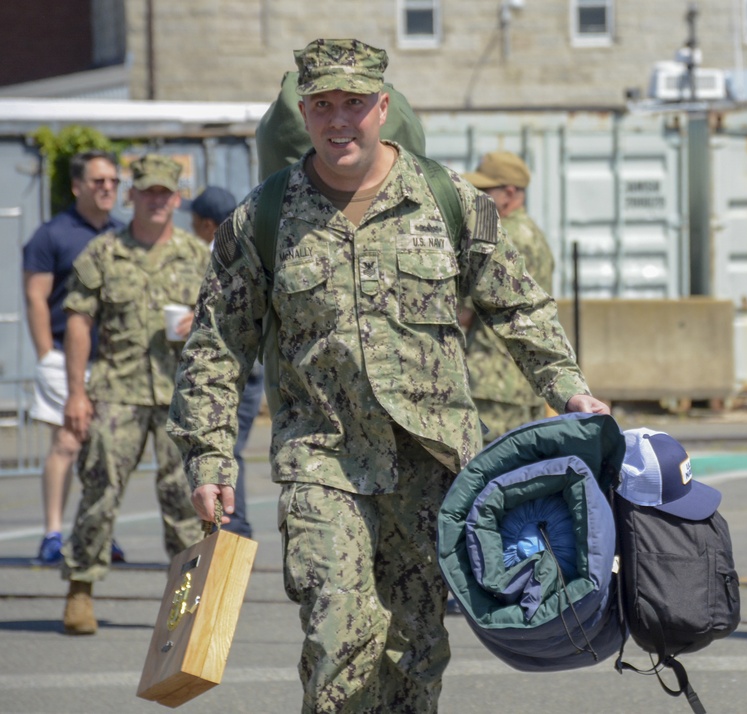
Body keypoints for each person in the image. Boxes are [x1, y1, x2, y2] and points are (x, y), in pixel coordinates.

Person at [167, 38, 609, 713]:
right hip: (322, 463)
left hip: (432, 467)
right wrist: (207, 458)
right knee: (337, 638)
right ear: (305, 114)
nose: (339, 121)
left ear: (382, 106)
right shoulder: (261, 219)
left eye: (353, 104)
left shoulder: (447, 199)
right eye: (322, 106)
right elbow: (216, 346)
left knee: (416, 650)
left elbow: (517, 303)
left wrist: (568, 387)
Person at [60, 154, 209, 635]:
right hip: (116, 391)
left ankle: (186, 605)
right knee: (100, 490)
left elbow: (226, 321)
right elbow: (79, 322)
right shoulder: (103, 253)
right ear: (132, 195)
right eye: (148, 192)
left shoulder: (197, 255)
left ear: (178, 198)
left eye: (165, 193)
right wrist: (76, 394)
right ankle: (80, 589)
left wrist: (198, 325)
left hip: (178, 396)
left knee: (185, 501)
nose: (157, 200)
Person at [21, 149, 127, 565]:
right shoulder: (52, 235)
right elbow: (35, 296)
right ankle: (52, 533)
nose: (107, 188)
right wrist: (47, 353)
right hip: (66, 357)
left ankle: (100, 532)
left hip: (114, 363)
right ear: (77, 186)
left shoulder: (121, 234)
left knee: (108, 450)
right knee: (67, 441)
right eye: (98, 181)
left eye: (113, 182)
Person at [460, 151, 555, 442]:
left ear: (509, 193)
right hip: (527, 378)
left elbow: (463, 312)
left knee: (486, 471)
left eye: (483, 191)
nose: (476, 198)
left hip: (492, 381)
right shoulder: (534, 234)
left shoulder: (500, 237)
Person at [187, 185, 262, 539]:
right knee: (229, 448)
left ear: (205, 224)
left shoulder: (222, 253)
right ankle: (232, 524)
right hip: (251, 365)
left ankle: (233, 525)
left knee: (224, 450)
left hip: (233, 366)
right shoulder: (250, 240)